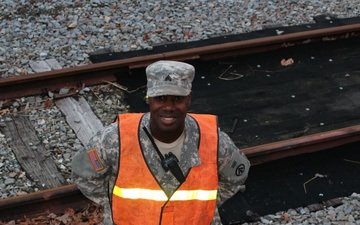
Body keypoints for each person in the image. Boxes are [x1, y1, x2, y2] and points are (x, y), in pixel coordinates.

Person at [71, 60, 250, 225]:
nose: (169, 107)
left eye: (178, 99)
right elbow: (83, 174)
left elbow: (236, 176)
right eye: (161, 98)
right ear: (149, 98)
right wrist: (116, 205)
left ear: (189, 98)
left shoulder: (213, 140)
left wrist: (204, 206)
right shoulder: (114, 138)